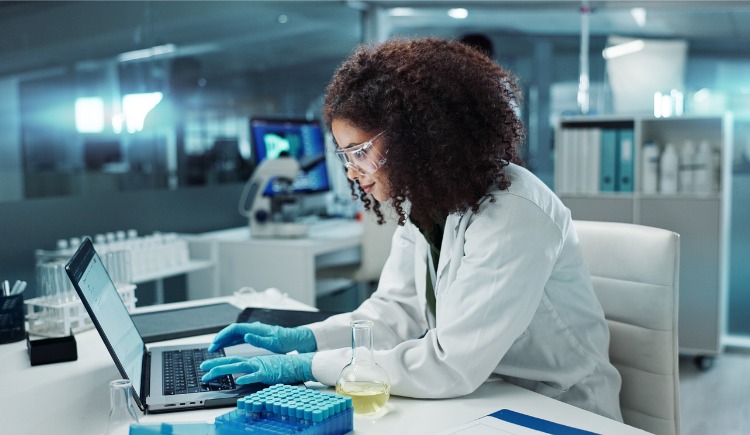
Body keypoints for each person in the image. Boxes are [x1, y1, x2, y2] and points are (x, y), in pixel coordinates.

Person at [200, 37, 623, 421]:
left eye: (360, 152)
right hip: (485, 391)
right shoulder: (424, 201)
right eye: (344, 155)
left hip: (557, 407)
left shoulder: (514, 212)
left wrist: (304, 367)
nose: (352, 172)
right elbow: (393, 314)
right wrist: (302, 339)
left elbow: (450, 364)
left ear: (419, 136)